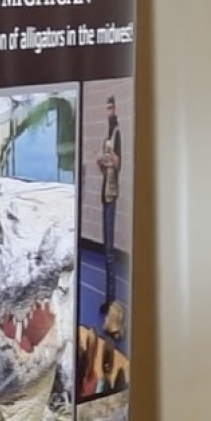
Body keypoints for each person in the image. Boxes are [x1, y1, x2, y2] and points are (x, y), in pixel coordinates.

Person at [96, 94, 123, 333]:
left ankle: (112, 299)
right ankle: (108, 297)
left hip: (111, 196)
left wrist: (110, 157)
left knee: (109, 253)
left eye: (111, 108)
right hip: (104, 193)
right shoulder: (107, 133)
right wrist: (100, 162)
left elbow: (118, 163)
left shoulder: (117, 134)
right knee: (106, 251)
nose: (108, 112)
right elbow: (106, 166)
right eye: (106, 108)